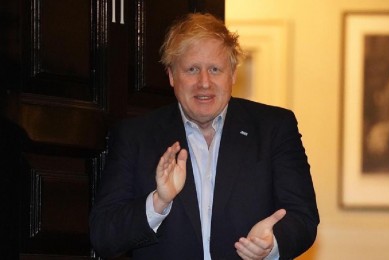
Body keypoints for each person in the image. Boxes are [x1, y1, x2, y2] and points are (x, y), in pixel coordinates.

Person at [90, 13, 319, 260]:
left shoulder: (274, 128)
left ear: (232, 74)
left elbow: (303, 218)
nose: (204, 83)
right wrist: (158, 202)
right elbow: (104, 236)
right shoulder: (135, 136)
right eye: (192, 69)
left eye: (215, 69)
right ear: (171, 75)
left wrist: (271, 244)